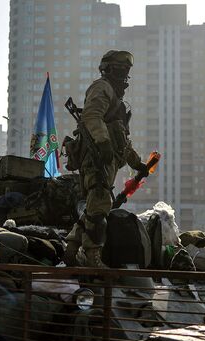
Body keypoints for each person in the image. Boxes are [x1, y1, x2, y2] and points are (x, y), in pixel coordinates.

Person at [64, 50, 148, 268]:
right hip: (96, 158)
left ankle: (71, 249)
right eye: (121, 70)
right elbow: (91, 116)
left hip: (107, 159)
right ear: (109, 69)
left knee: (95, 205)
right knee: (101, 204)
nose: (124, 75)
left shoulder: (116, 99)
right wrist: (102, 144)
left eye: (126, 71)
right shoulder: (102, 88)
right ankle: (92, 255)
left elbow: (121, 138)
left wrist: (137, 163)